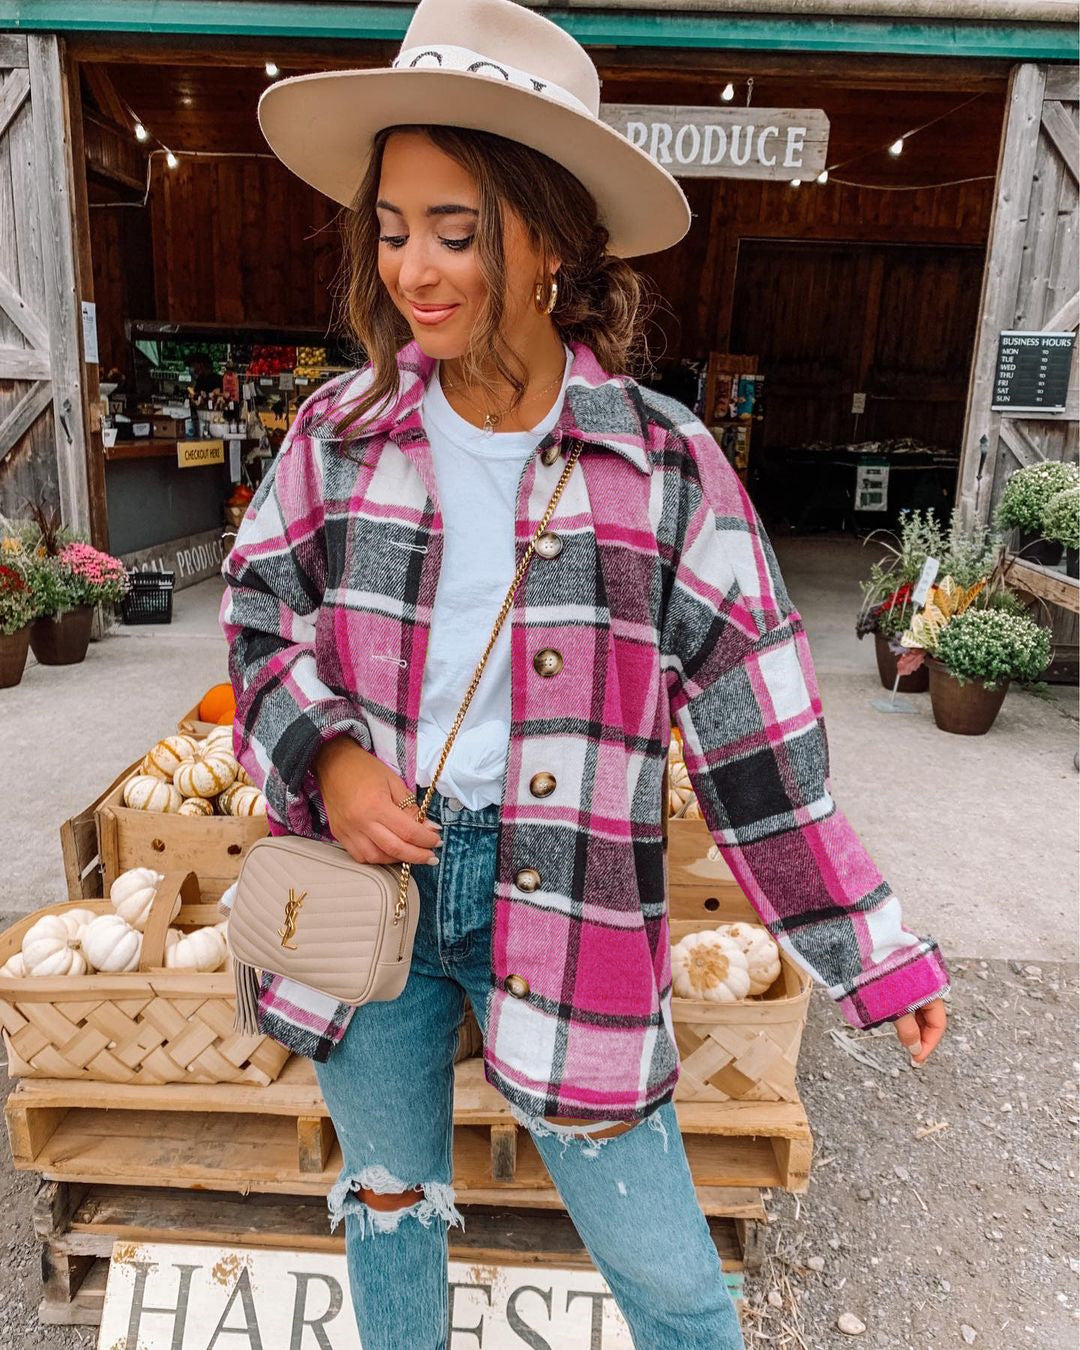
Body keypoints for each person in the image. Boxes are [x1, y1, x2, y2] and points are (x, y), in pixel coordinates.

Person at [220, 2, 950, 1346]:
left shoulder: (665, 471)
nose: (414, 272)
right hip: (367, 885)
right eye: (392, 228)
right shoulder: (341, 434)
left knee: (670, 1279)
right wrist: (327, 754)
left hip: (568, 896)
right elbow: (260, 613)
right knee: (390, 1200)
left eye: (456, 228)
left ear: (551, 235)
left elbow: (757, 746)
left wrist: (871, 951)